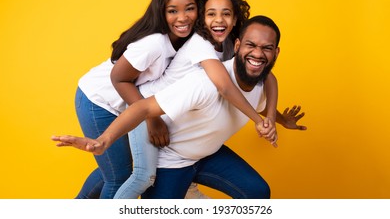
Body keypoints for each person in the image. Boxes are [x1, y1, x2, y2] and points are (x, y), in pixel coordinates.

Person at [52, 15, 306, 198]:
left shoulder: (262, 81)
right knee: (118, 177)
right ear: (238, 46)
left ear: (276, 53)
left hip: (208, 154)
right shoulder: (204, 83)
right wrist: (104, 140)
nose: (258, 54)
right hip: (170, 159)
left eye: (267, 48)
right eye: (251, 45)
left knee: (257, 192)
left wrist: (281, 120)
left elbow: (263, 98)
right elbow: (143, 109)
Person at [111, 0, 278, 199]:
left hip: (192, 138)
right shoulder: (201, 46)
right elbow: (225, 87)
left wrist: (273, 117)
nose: (219, 19)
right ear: (201, 18)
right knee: (136, 175)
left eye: (226, 13)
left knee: (257, 190)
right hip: (147, 108)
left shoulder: (229, 45)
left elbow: (269, 77)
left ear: (235, 19)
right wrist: (258, 120)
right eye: (211, 14)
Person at [71, 0, 200, 199]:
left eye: (189, 9)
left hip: (123, 102)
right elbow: (118, 78)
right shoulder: (154, 43)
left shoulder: (185, 41)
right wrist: (152, 118)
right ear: (161, 12)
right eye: (172, 11)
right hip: (98, 102)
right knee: (118, 177)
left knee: (111, 168)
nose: (182, 18)